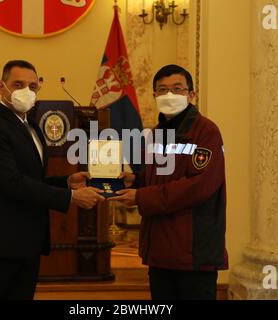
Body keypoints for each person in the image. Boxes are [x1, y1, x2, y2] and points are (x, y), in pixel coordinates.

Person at [0, 60, 105, 300]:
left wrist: (66, 181)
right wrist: (70, 197)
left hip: (26, 244)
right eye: (18, 84)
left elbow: (32, 179)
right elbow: (12, 183)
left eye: (32, 86)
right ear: (1, 86)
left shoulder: (32, 127)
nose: (26, 92)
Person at [111, 64, 228, 300]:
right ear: (154, 95)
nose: (169, 96)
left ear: (191, 94)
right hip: (160, 251)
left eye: (177, 89)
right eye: (162, 90)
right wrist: (135, 181)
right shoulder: (155, 134)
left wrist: (141, 197)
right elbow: (158, 177)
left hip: (192, 253)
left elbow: (198, 187)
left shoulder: (206, 132)